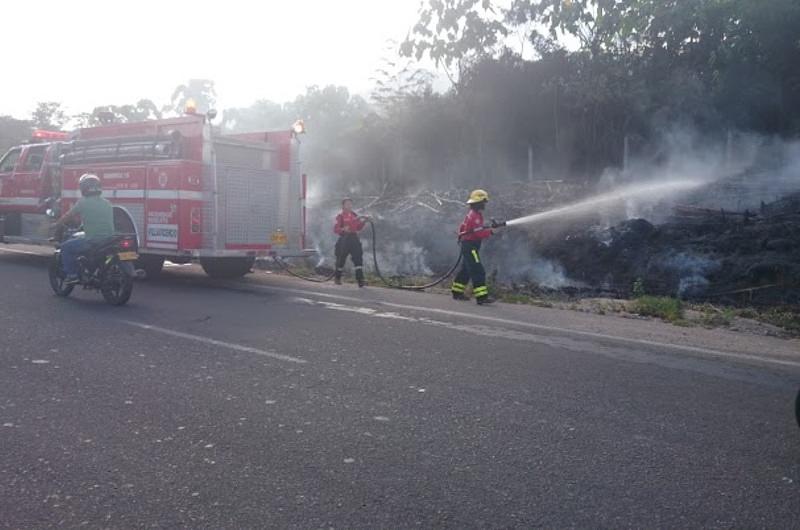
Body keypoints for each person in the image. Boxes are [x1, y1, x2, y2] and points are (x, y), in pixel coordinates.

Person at [52, 174, 115, 283]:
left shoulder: (83, 202)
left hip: (93, 239)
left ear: (84, 188)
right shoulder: (107, 203)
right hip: (110, 239)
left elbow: (68, 216)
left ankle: (72, 275)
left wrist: (57, 224)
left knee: (66, 247)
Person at [452, 189, 495, 305]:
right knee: (478, 270)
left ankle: (457, 292)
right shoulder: (475, 216)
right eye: (483, 201)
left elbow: (465, 227)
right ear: (478, 202)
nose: (485, 204)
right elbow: (478, 233)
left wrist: (487, 228)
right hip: (470, 246)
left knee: (466, 270)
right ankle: (482, 297)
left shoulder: (473, 214)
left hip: (468, 245)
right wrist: (490, 232)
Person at [333, 198, 370, 287]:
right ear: (343, 205)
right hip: (344, 239)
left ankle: (360, 280)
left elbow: (358, 227)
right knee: (341, 259)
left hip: (354, 238)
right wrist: (343, 229)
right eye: (347, 204)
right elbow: (335, 229)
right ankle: (337, 278)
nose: (349, 205)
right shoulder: (340, 216)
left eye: (350, 204)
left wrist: (365, 221)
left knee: (358, 258)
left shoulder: (354, 215)